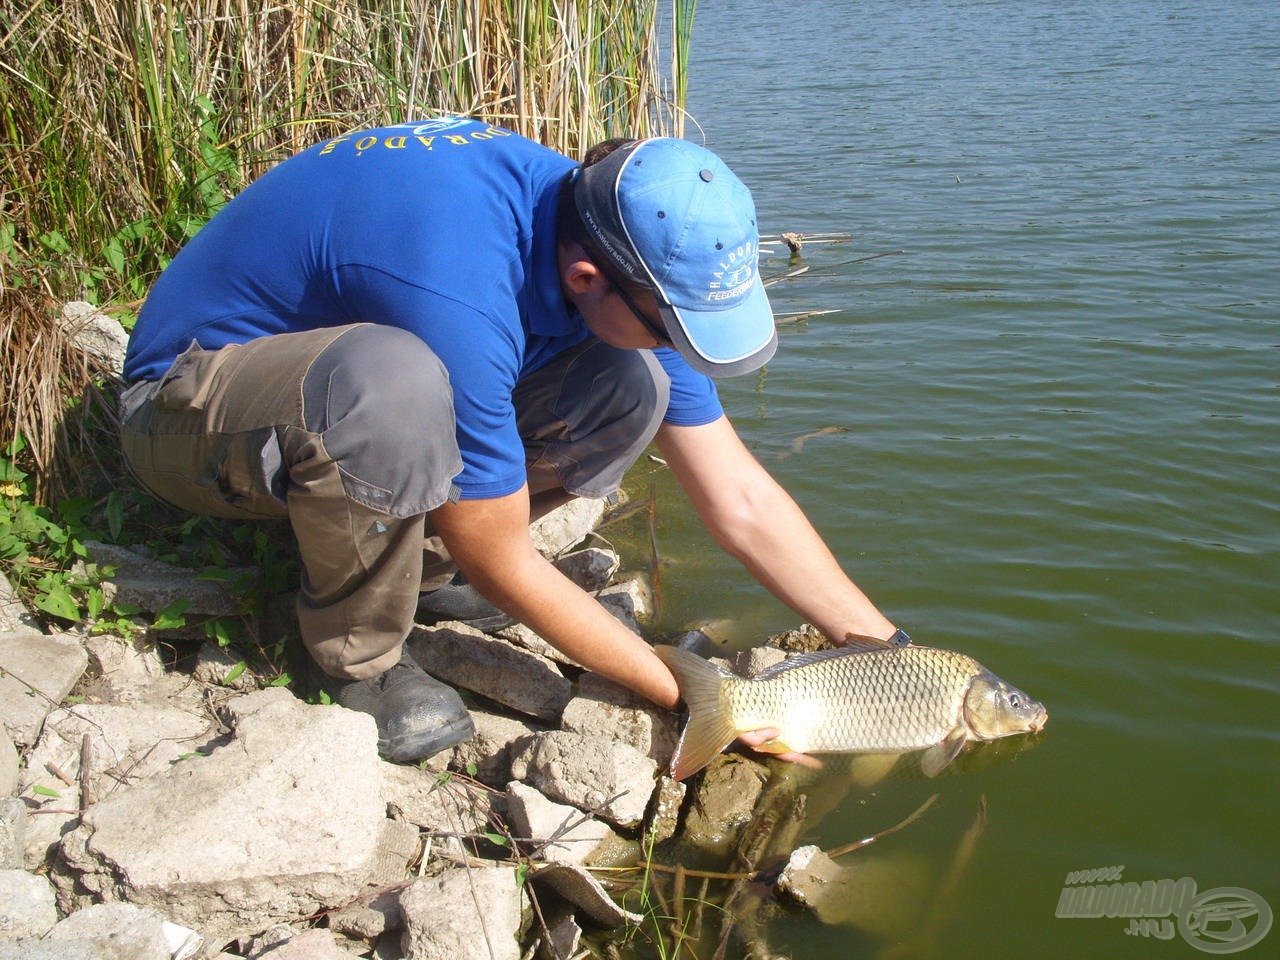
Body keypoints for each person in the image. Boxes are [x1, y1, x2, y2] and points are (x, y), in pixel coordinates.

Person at [120, 115, 904, 764]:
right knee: (390, 385)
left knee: (632, 387)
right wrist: (710, 704)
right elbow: (498, 553)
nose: (680, 346)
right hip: (192, 412)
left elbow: (737, 495)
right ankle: (354, 657)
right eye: (673, 328)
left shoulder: (612, 229)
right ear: (588, 280)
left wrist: (886, 651)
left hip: (341, 386)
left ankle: (417, 570)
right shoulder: (457, 275)